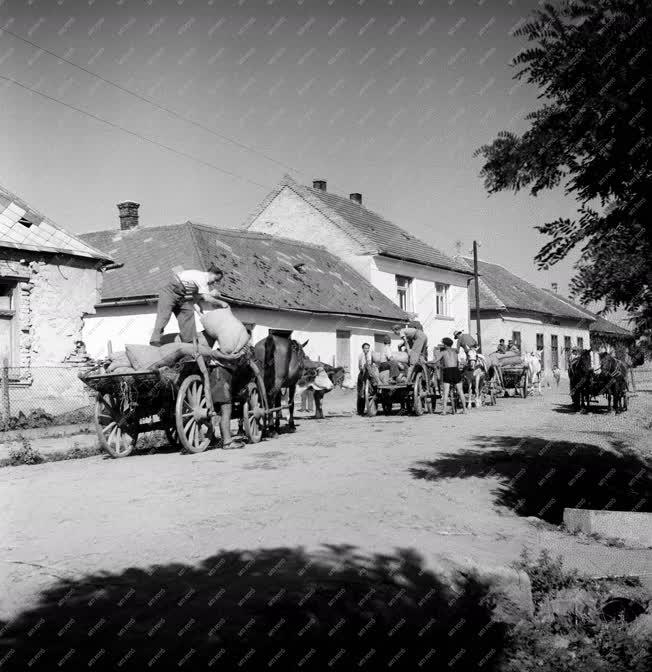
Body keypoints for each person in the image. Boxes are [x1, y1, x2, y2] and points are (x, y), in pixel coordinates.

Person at [150, 264, 229, 347]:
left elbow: (196, 301)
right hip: (169, 291)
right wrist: (222, 303)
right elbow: (206, 298)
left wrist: (202, 315)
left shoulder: (200, 283)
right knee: (164, 315)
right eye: (216, 279)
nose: (215, 282)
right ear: (211, 273)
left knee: (188, 312)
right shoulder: (202, 278)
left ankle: (190, 342)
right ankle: (155, 340)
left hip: (180, 295)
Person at [435, 337, 466, 414]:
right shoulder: (455, 351)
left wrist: (426, 361)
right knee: (460, 391)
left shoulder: (443, 352)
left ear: (445, 344)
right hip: (456, 370)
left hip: (448, 371)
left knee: (446, 392)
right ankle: (465, 410)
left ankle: (444, 411)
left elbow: (435, 360)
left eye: (443, 343)